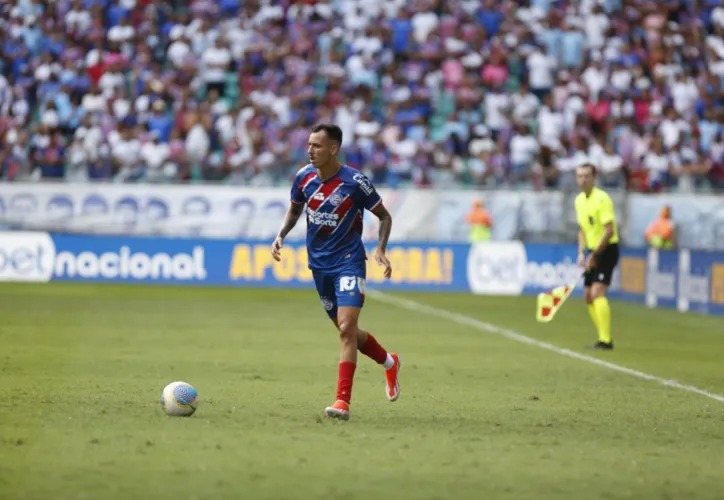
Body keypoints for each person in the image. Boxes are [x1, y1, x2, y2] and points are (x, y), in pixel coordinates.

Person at [271, 123, 401, 421]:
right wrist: (281, 235)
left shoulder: (355, 182)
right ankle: (389, 362)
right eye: (308, 144)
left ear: (333, 149)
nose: (310, 150)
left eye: (317, 145)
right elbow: (295, 209)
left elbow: (383, 215)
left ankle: (342, 402)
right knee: (349, 332)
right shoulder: (303, 177)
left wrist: (380, 249)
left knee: (346, 330)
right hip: (319, 265)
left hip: (349, 261)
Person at [574, 163, 620, 350]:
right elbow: (583, 230)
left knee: (597, 292)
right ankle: (602, 336)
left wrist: (594, 255)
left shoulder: (602, 199)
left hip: (607, 249)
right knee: (587, 296)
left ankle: (606, 340)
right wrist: (581, 253)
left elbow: (608, 231)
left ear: (594, 178)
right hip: (592, 250)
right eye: (580, 176)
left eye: (587, 175)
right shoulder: (578, 200)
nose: (583, 179)